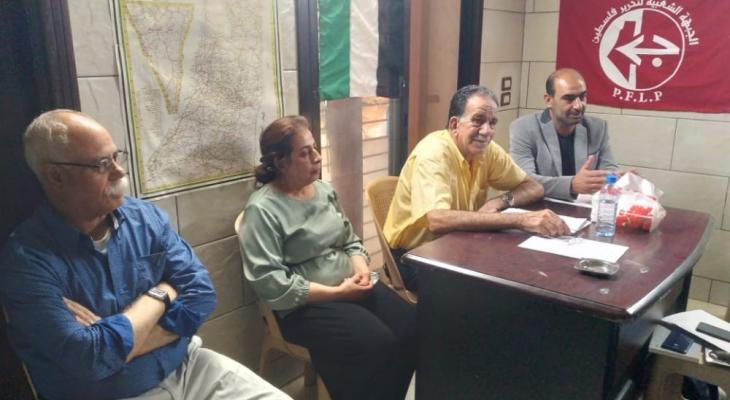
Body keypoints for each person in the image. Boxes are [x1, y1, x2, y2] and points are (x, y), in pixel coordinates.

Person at [0, 110, 289, 400]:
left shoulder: (142, 217)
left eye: (117, 157)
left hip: (187, 367)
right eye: (102, 164)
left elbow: (201, 296)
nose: (119, 172)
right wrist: (164, 292)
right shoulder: (26, 262)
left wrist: (114, 344)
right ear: (56, 176)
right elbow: (88, 359)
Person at [239, 116, 416, 400]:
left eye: (315, 148)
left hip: (350, 285)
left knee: (412, 328)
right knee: (377, 344)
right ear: (281, 161)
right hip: (304, 306)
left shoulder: (323, 191)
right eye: (305, 152)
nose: (317, 157)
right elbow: (271, 284)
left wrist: (360, 269)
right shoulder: (262, 211)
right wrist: (338, 293)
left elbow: (350, 240)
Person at [383, 85, 570, 292]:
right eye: (478, 120)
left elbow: (533, 187)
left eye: (492, 122)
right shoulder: (434, 154)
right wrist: (521, 220)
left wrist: (499, 201)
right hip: (413, 257)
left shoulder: (486, 150)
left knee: (525, 274)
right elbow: (437, 220)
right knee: (496, 290)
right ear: (455, 124)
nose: (487, 131)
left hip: (457, 245)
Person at [509, 68, 618, 200]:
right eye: (569, 99)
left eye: (582, 97)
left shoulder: (597, 128)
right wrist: (571, 185)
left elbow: (608, 170)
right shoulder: (524, 128)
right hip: (540, 206)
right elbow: (524, 180)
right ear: (548, 100)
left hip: (583, 207)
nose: (578, 106)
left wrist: (618, 177)